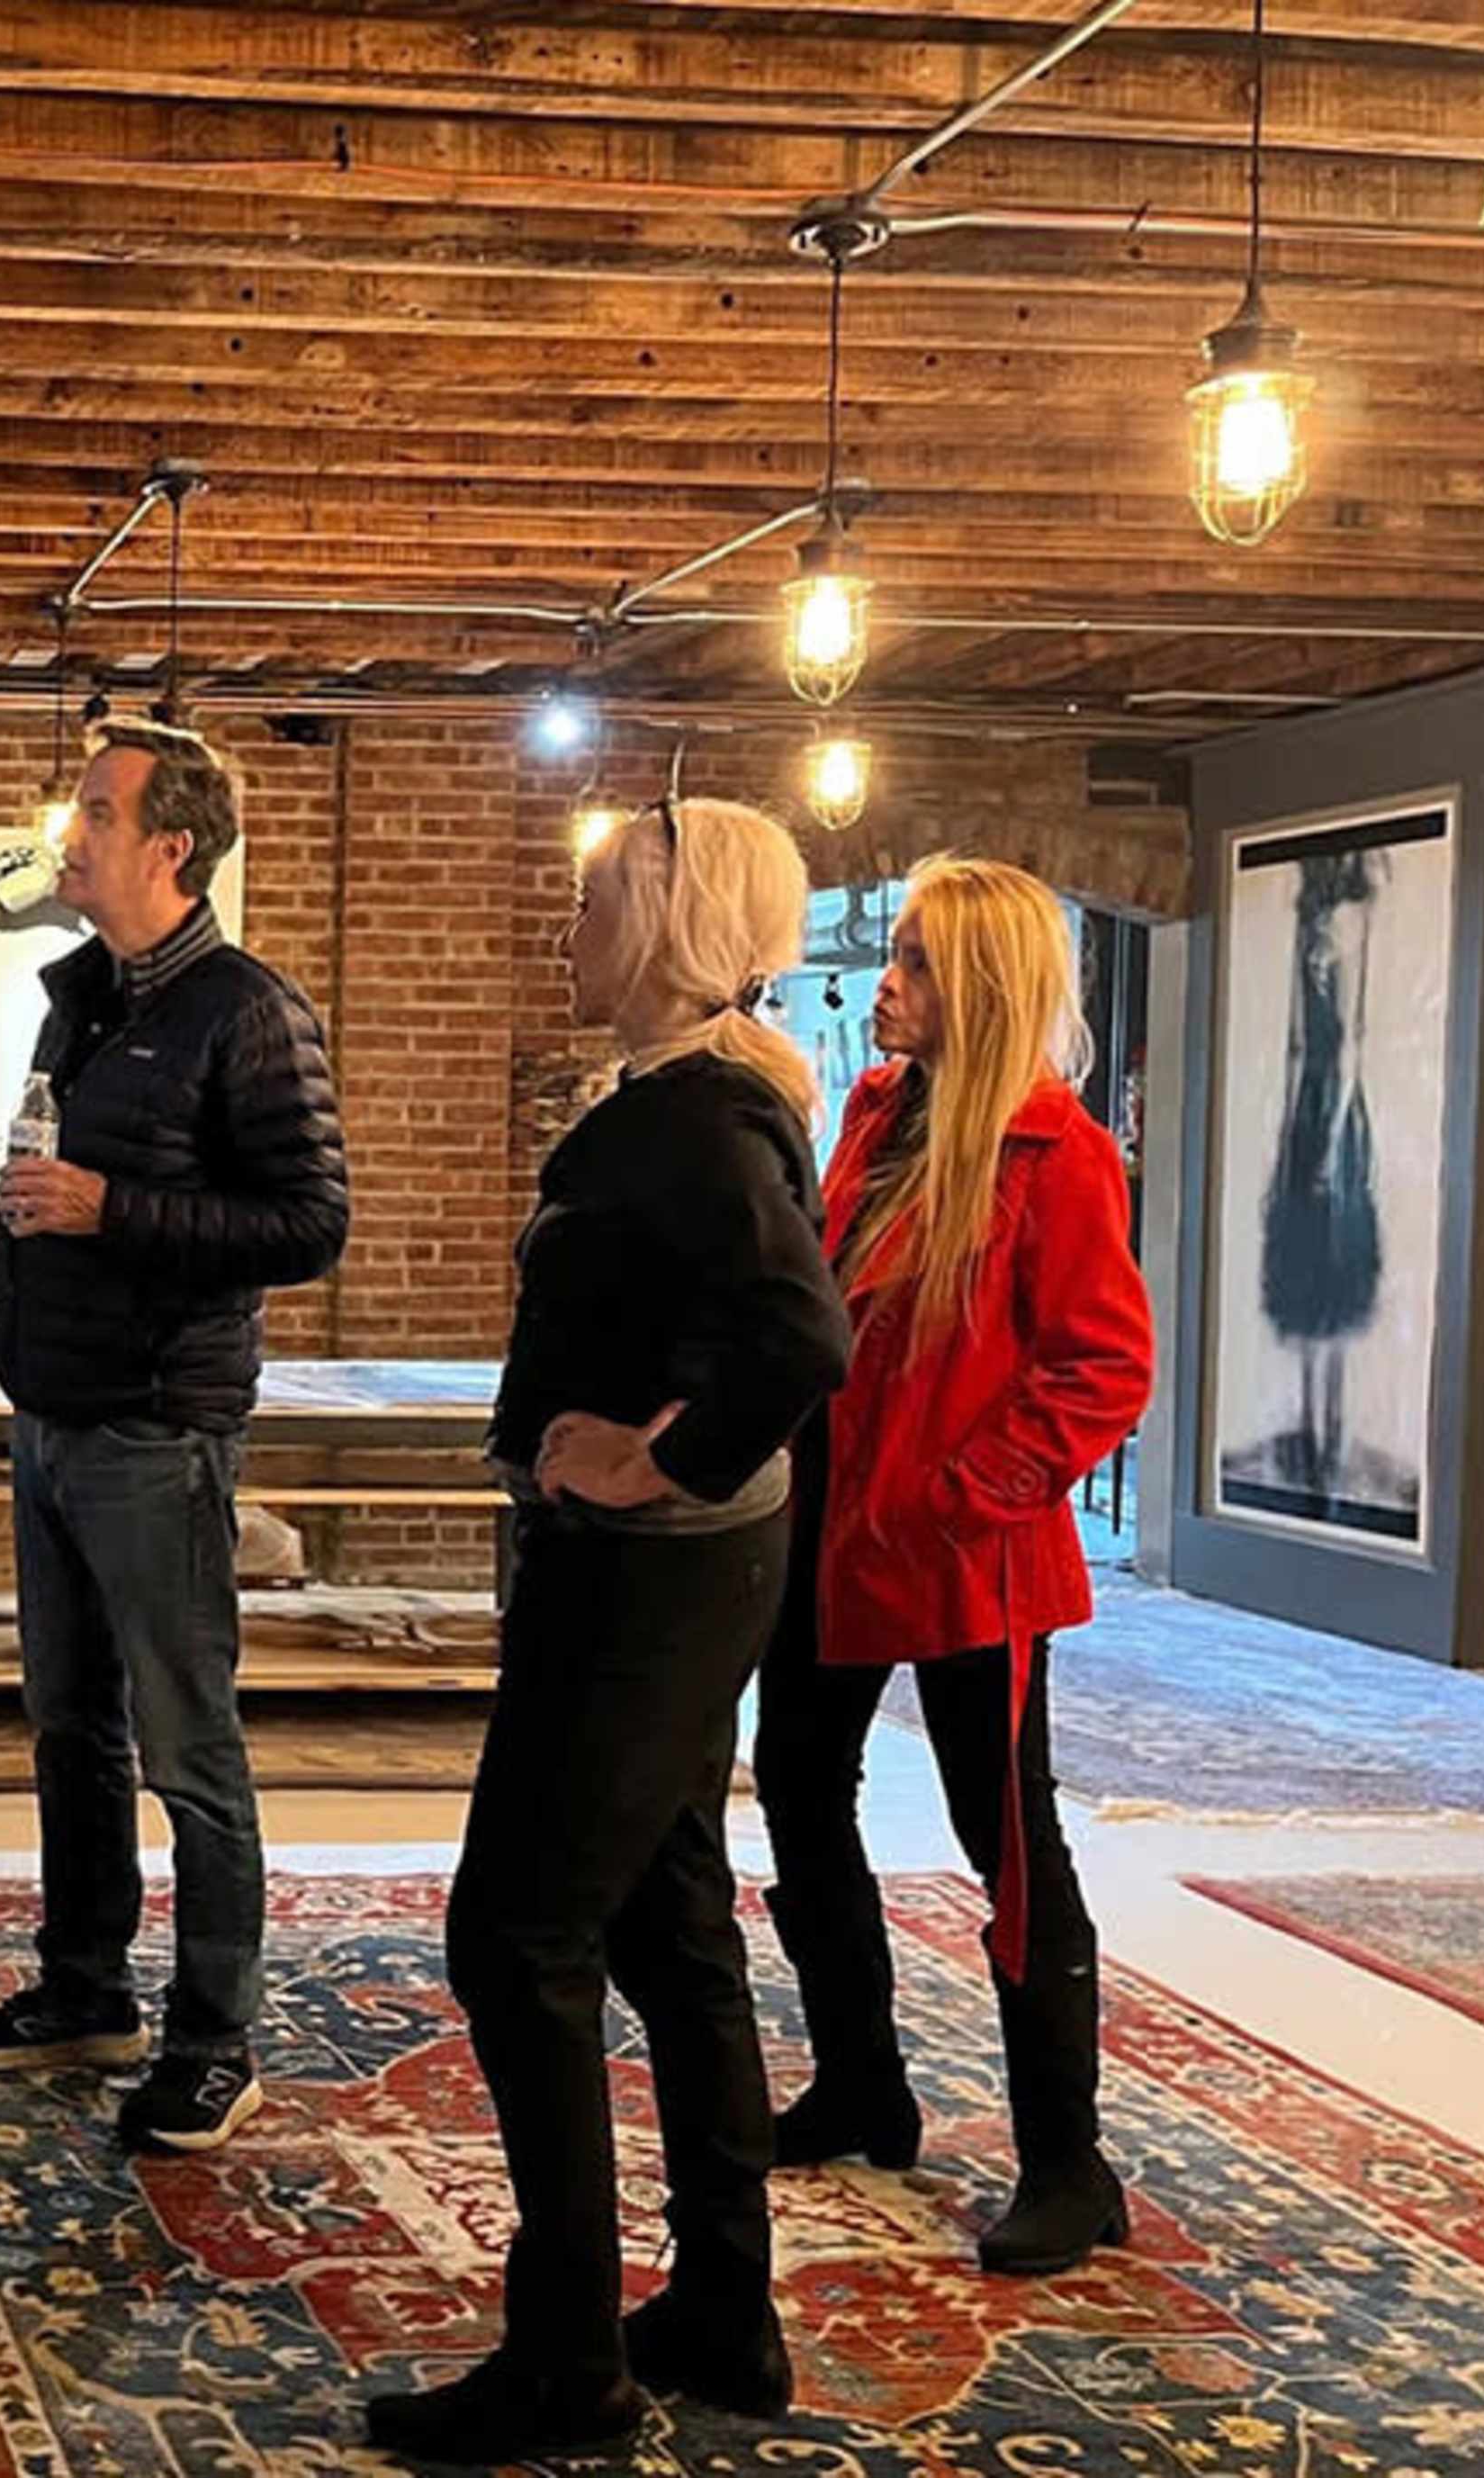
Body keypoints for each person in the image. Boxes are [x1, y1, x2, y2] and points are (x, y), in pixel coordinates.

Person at [367, 797, 852, 2466]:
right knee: (671, 1922)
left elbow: (799, 1334)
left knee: (517, 1935)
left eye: (591, 901)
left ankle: (568, 2359)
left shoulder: (702, 1119)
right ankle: (724, 2307)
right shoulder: (692, 1099)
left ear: (668, 926)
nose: (566, 922)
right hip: (680, 1576)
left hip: (647, 1578)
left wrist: (651, 1457)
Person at [0, 717, 349, 2155]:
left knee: (190, 1745)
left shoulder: (247, 1010)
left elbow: (310, 1222)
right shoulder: (85, 998)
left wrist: (113, 1211)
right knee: (70, 1725)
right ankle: (86, 1985)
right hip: (53, 1411)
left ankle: (216, 2036)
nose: (75, 831)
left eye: (99, 812)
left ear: (171, 846)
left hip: (160, 1427)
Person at [753, 855, 1155, 2276]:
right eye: (896, 955)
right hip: (832, 1528)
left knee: (1012, 1849)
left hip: (969, 1554)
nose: (887, 982)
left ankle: (1069, 2157)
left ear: (975, 985)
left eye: (915, 961)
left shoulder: (1059, 1153)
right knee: (799, 1789)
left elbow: (1106, 1363)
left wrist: (972, 1487)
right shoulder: (873, 1111)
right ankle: (864, 2078)